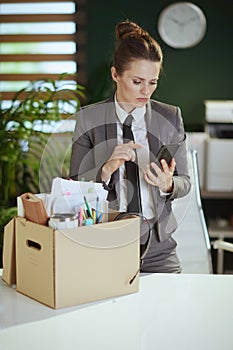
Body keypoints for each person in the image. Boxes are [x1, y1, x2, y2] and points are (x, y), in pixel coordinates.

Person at [69, 20, 191, 273]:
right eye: (137, 82)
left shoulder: (170, 117)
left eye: (153, 82)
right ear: (116, 74)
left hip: (159, 247)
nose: (146, 91)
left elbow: (185, 183)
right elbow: (73, 185)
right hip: (108, 242)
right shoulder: (89, 119)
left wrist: (168, 184)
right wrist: (105, 170)